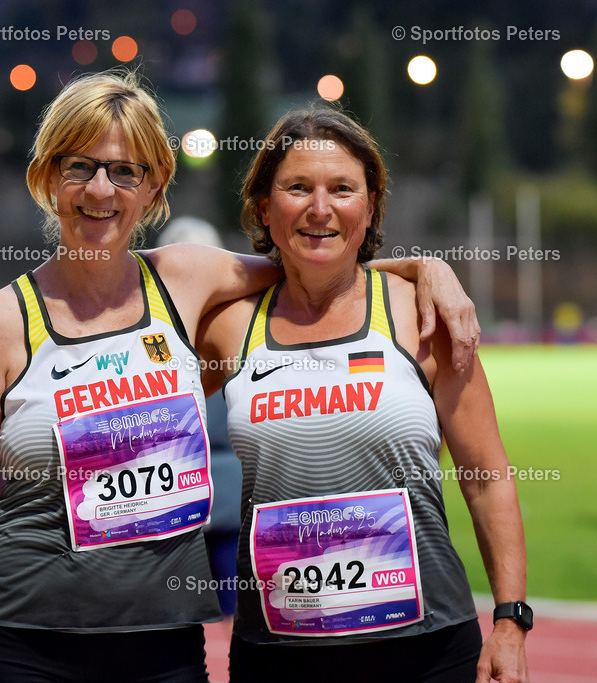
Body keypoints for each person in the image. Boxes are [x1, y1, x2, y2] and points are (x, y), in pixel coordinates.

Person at [0, 69, 480, 683]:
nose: (100, 189)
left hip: (166, 643)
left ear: (155, 185)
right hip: (26, 640)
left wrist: (427, 267)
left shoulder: (186, 279)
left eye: (124, 170)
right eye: (78, 166)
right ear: (46, 178)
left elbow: (314, 251)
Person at [191, 107, 530, 682]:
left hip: (424, 651)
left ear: (369, 206)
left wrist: (510, 620)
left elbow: (486, 476)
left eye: (341, 189)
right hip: (277, 653)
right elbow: (128, 379)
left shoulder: (422, 317)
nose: (320, 208)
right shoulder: (228, 328)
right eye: (297, 188)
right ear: (264, 208)